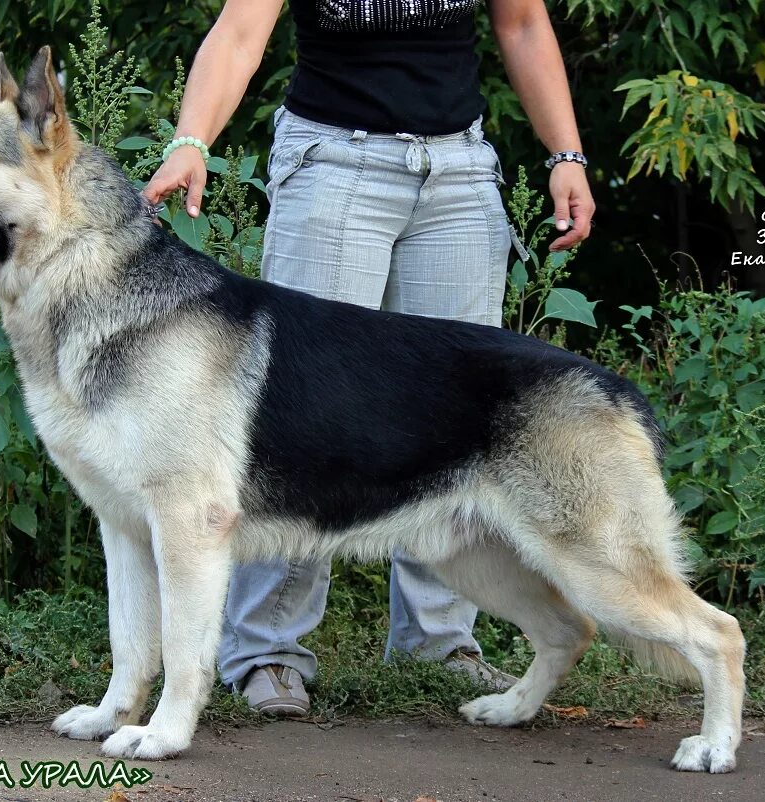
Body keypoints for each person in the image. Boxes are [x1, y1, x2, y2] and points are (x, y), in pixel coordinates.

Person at [142, 0, 595, 717]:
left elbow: (523, 25)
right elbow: (239, 32)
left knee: (452, 413)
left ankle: (439, 644)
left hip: (457, 171)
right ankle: (267, 651)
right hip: (332, 163)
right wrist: (191, 139)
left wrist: (565, 155)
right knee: (297, 413)